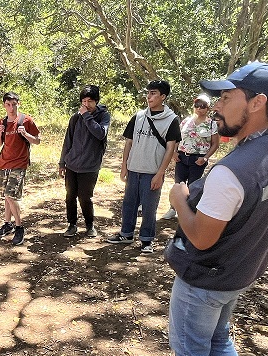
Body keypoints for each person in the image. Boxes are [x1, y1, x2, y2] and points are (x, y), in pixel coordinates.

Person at [133, 62, 268, 356]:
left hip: (204, 278)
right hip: (240, 272)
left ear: (257, 103)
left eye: (227, 98)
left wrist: (178, 200)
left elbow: (202, 237)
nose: (218, 106)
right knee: (220, 341)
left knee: (191, 350)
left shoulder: (232, 171)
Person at [106, 80, 180, 253]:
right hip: (134, 169)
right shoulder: (138, 116)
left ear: (163, 96)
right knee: (129, 204)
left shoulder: (171, 120)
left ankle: (147, 240)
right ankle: (126, 234)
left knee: (149, 207)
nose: (149, 96)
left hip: (152, 171)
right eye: (148, 93)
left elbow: (171, 148)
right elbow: (128, 142)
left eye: (154, 93)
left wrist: (160, 173)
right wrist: (124, 166)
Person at [58, 84, 110, 238]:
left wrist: (87, 116)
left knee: (85, 197)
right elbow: (68, 141)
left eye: (90, 101)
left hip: (90, 165)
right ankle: (72, 224)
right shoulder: (75, 117)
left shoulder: (103, 116)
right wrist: (62, 162)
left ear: (96, 101)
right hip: (72, 163)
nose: (86, 105)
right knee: (70, 196)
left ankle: (89, 225)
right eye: (84, 102)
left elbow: (100, 133)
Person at [0, 92, 41, 246]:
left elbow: (37, 140)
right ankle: (7, 224)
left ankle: (19, 227)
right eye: (8, 104)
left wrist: (25, 134)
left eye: (14, 104)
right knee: (7, 196)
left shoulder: (26, 120)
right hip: (3, 163)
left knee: (11, 196)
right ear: (4, 105)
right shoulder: (2, 122)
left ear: (18, 103)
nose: (11, 107)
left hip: (19, 164)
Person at [162, 92, 220, 220]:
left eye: (203, 105)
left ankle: (188, 211)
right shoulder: (186, 121)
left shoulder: (211, 124)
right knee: (178, 184)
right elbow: (177, 138)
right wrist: (174, 152)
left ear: (208, 108)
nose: (199, 108)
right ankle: (173, 209)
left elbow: (215, 144)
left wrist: (205, 158)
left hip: (198, 159)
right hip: (182, 156)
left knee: (193, 186)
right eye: (197, 105)